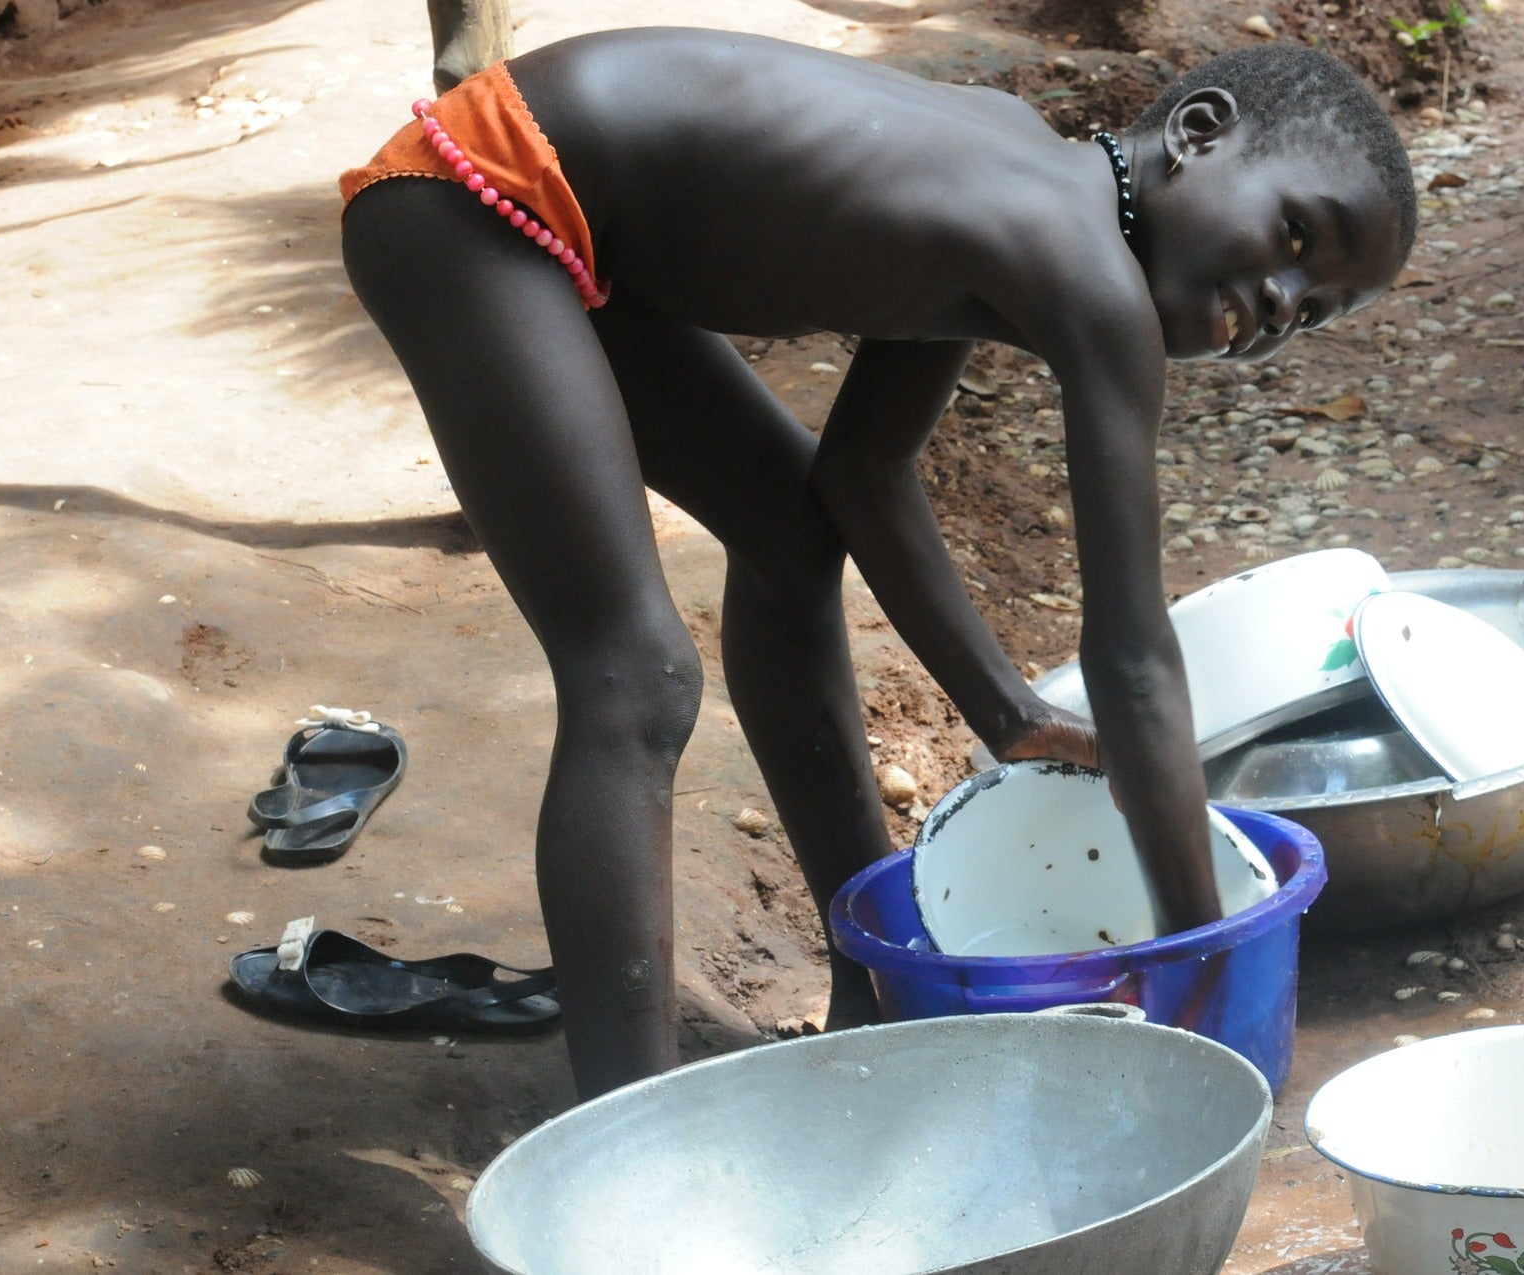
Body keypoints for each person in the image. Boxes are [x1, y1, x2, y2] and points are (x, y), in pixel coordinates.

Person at [338, 27, 1416, 1099]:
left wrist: (1006, 714)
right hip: (478, 201)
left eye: (1312, 312)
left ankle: (869, 979)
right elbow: (1134, 659)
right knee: (636, 677)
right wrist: (1203, 961)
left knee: (792, 533)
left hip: (567, 226)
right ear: (1198, 132)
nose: (1281, 303)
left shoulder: (1025, 184)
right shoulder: (1086, 273)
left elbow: (861, 477)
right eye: (1293, 237)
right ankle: (629, 1141)